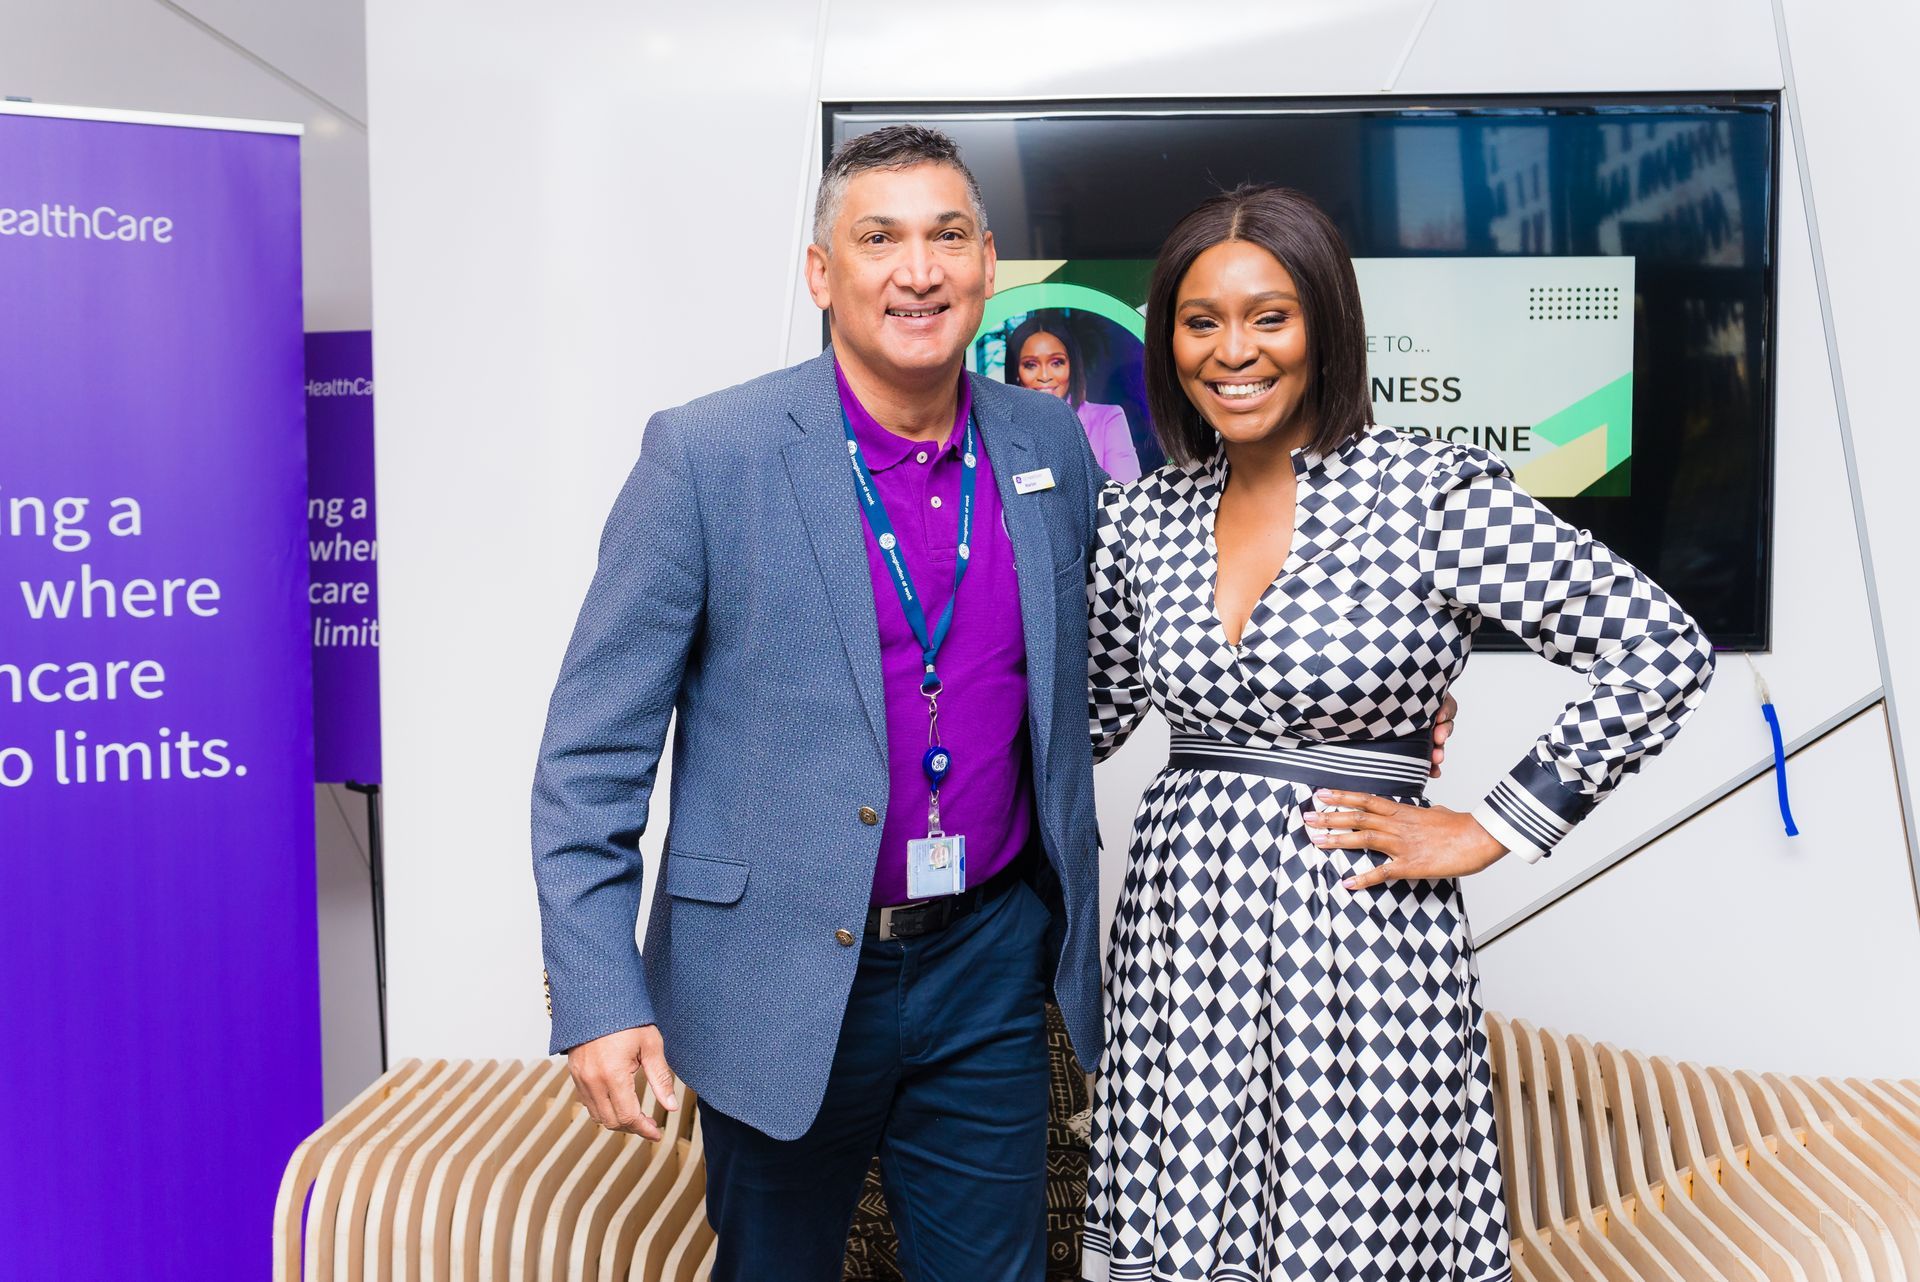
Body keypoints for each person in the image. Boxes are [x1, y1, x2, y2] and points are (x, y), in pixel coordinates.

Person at [1080, 186, 1715, 1282]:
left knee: (1354, 1239)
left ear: (1327, 325)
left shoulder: (1424, 491)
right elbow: (1074, 722)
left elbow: (1661, 647)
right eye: (1201, 321)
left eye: (1270, 315)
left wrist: (1489, 826)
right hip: (1182, 944)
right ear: (1166, 341)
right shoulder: (1145, 516)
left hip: (1360, 938)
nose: (1234, 350)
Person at [529, 124, 1109, 1282]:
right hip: (778, 972)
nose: (918, 269)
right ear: (820, 271)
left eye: (948, 237)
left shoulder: (1047, 441)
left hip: (988, 957)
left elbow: (1120, 650)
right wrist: (598, 995)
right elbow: (591, 754)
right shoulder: (708, 454)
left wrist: (1355, 713)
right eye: (879, 237)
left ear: (988, 263)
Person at [1004, 312, 1144, 482]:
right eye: (1030, 365)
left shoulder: (1107, 419)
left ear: (1072, 366)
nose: (1045, 375)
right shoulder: (1003, 428)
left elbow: (1125, 496)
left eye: (1056, 363)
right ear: (1016, 373)